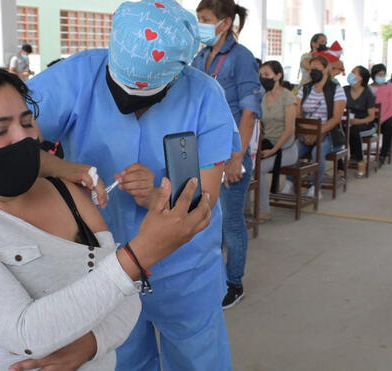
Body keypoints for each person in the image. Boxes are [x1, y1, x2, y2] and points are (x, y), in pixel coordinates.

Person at [0, 63, 212, 371]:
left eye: (27, 122)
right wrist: (138, 256)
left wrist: (91, 343)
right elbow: (26, 334)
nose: (23, 139)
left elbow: (126, 300)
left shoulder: (68, 195)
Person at [27, 1, 239, 369]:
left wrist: (158, 194)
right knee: (121, 358)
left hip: (185, 269)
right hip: (103, 263)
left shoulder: (205, 96)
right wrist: (64, 168)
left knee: (197, 359)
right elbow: (9, 144)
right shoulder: (75, 77)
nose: (129, 105)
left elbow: (204, 200)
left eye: (148, 96)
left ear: (177, 74)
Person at [191, 0, 261, 309]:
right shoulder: (200, 56)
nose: (200, 24)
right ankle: (212, 279)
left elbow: (249, 112)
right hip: (203, 152)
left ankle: (234, 283)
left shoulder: (241, 58)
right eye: (198, 18)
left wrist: (236, 157)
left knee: (231, 223)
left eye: (205, 19)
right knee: (206, 220)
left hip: (231, 152)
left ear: (224, 22)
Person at [282, 55, 347, 197]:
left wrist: (317, 132)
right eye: (311, 69)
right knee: (293, 151)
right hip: (305, 132)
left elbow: (336, 118)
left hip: (329, 134)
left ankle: (315, 187)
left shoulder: (336, 89)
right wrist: (305, 132)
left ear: (326, 69)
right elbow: (297, 112)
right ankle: (290, 182)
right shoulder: (304, 89)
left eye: (317, 69)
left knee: (316, 152)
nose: (313, 72)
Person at [258, 61, 297, 220]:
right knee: (245, 166)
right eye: (261, 75)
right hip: (267, 143)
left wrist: (273, 150)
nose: (263, 78)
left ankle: (264, 210)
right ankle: (246, 207)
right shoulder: (263, 96)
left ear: (278, 75)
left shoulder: (287, 96)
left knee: (259, 169)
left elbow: (289, 130)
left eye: (267, 75)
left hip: (285, 148)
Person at [344, 66, 377, 178]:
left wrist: (357, 121)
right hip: (347, 121)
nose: (351, 74)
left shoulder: (368, 93)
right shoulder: (345, 90)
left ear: (361, 78)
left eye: (354, 72)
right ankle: (339, 166)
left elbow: (371, 117)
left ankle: (359, 160)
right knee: (337, 131)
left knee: (353, 130)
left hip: (365, 123)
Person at [369, 64, 392, 166]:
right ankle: (355, 155)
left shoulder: (390, 87)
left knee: (389, 126)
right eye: (379, 74)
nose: (381, 76)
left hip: (386, 117)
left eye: (383, 74)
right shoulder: (368, 88)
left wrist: (382, 119)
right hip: (371, 116)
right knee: (357, 127)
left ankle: (383, 155)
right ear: (373, 75)